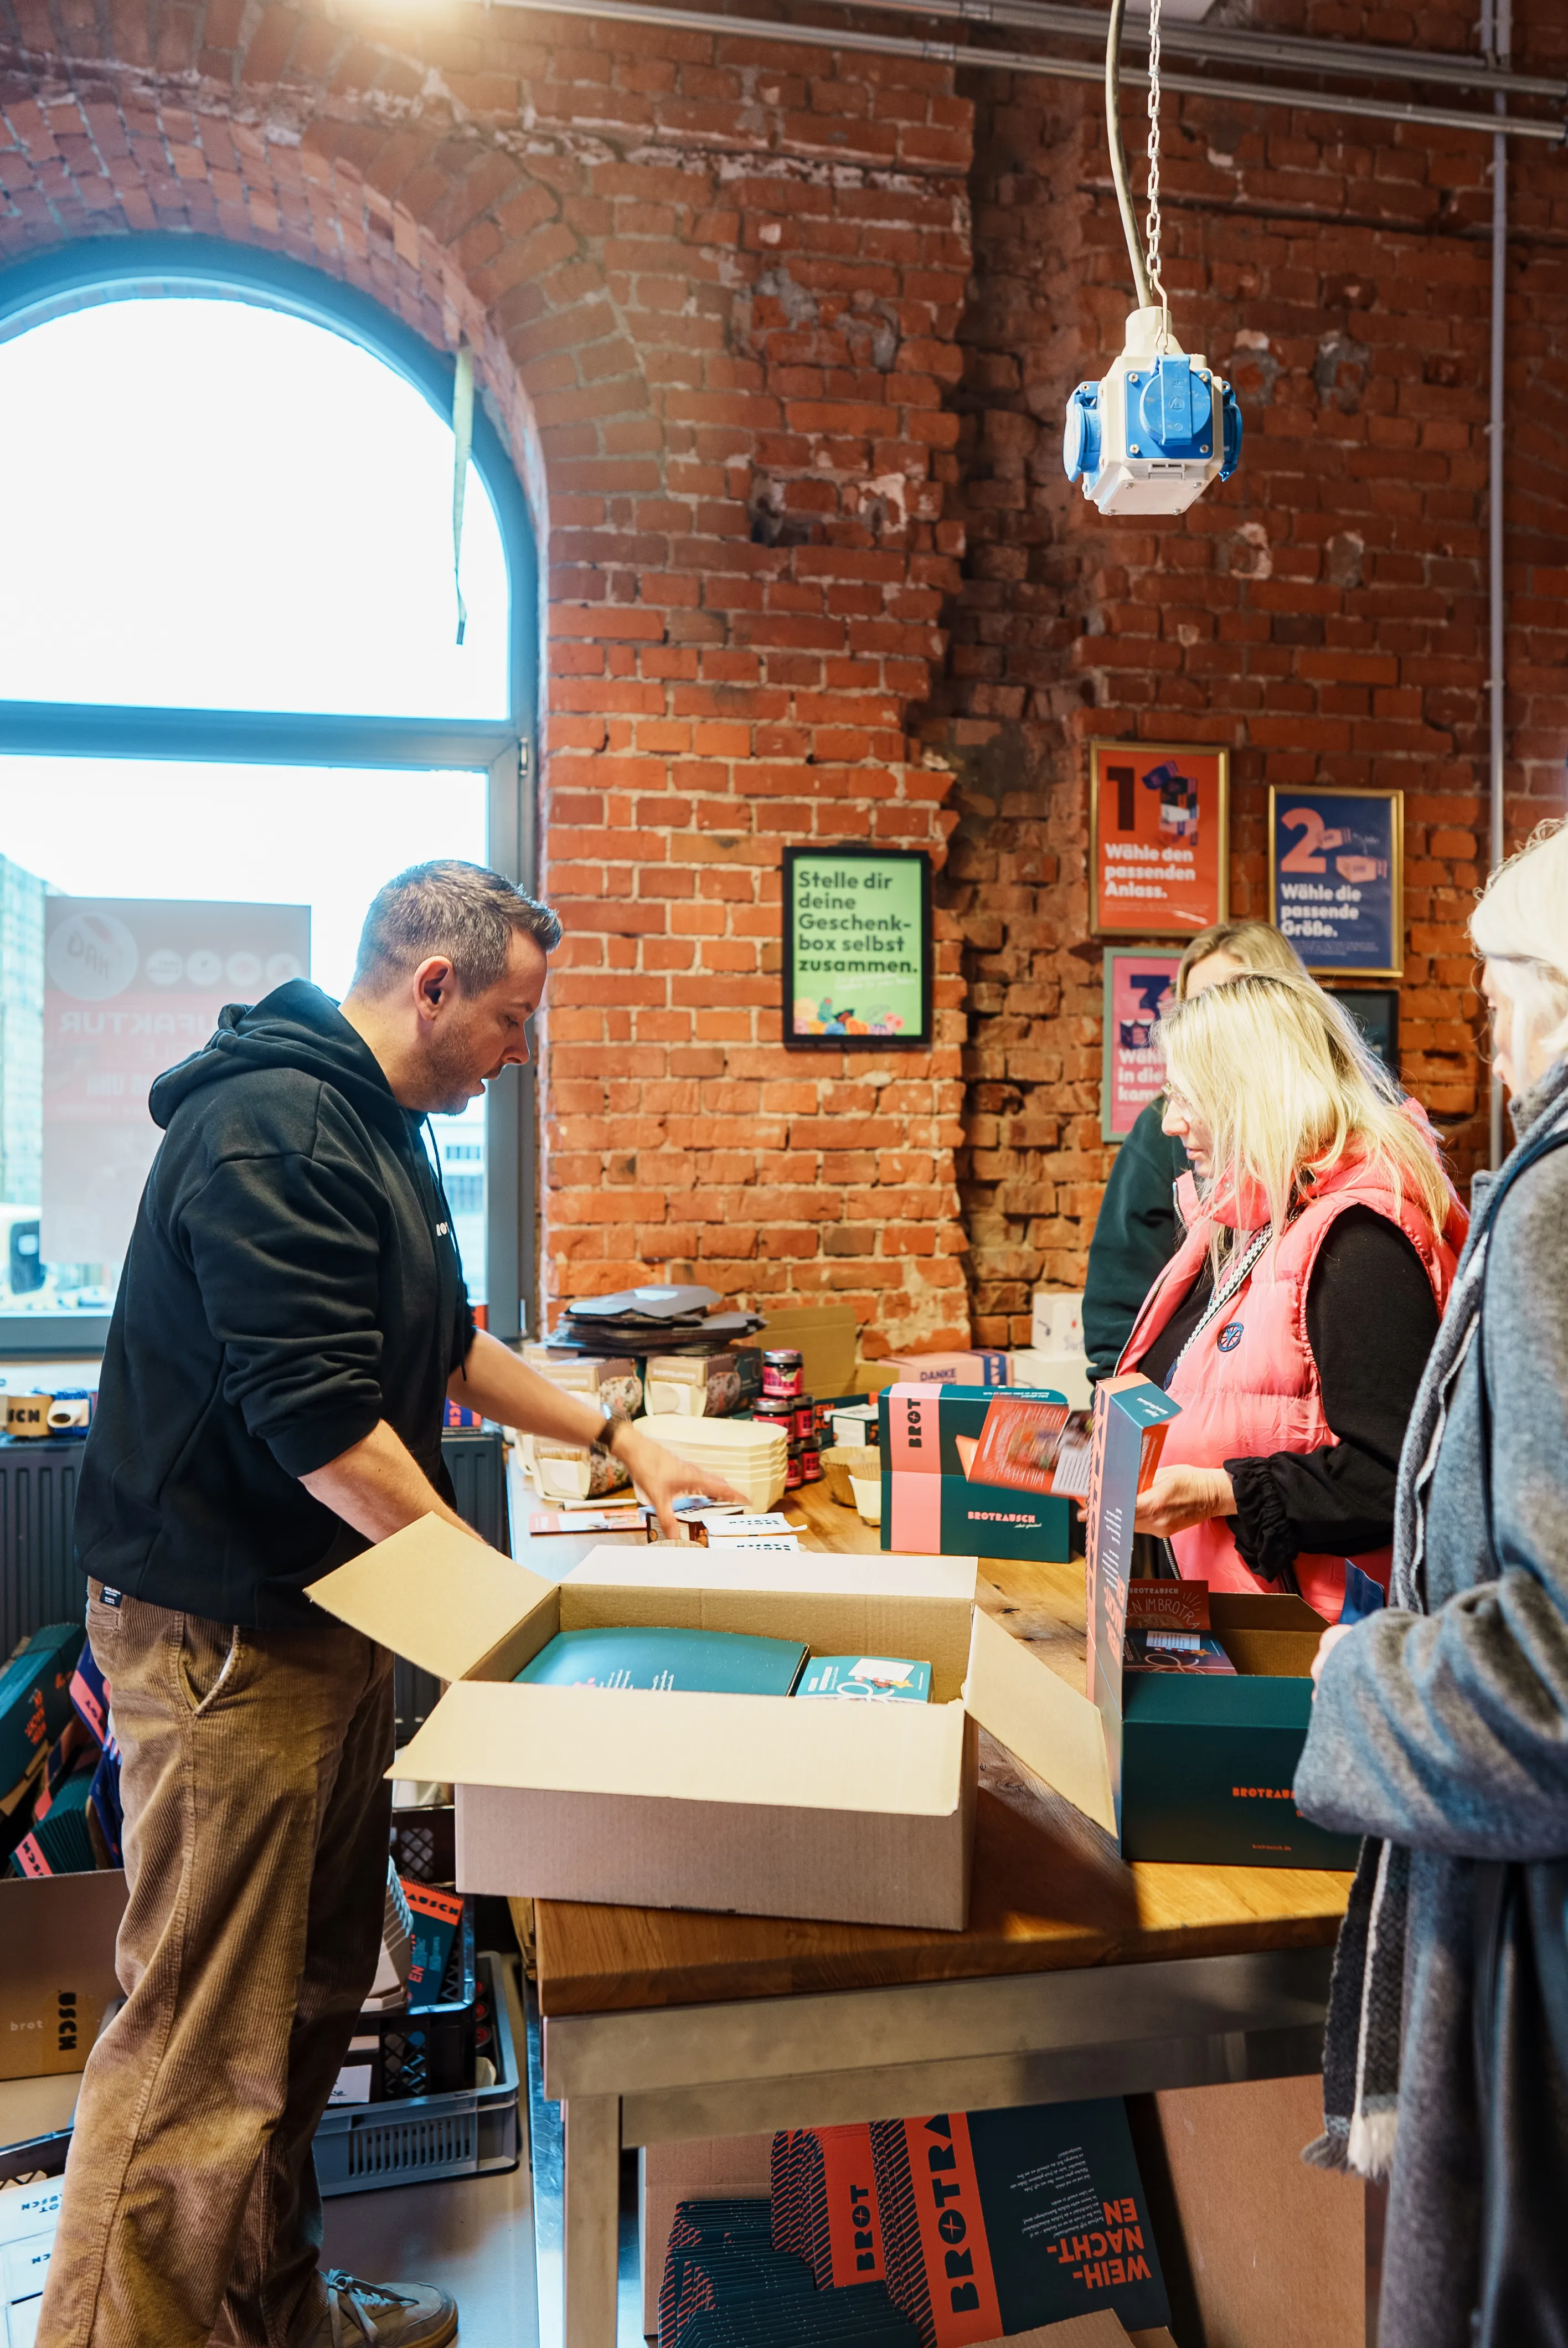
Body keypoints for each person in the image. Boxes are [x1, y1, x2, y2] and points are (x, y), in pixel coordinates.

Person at [39, 862, 740, 2348]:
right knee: (197, 2050)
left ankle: (273, 2310)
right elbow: (323, 1428)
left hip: (322, 1623)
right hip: (228, 1642)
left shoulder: (386, 1129)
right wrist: (506, 1622)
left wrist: (618, 1438)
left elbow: (442, 1347)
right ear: (432, 987)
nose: (521, 1051)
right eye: (512, 1016)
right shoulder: (269, 1131)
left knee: (301, 2010)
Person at [1294, 821, 1568, 2348]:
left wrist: (1363, 1678)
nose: (1495, 1034)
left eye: (1503, 993)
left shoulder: (1556, 1214)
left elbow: (1555, 1680)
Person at [1120, 971, 1466, 1622]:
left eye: (1187, 1096)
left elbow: (1400, 1476)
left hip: (1312, 1650)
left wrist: (1218, 1492)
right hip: (1219, 1620)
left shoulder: (1360, 1243)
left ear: (1252, 1094)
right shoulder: (1250, 1218)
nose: (1170, 1121)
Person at [1083, 920, 1309, 1381]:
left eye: (1225, 997)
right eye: (1194, 1002)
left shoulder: (1339, 1140)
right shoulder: (1160, 1130)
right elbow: (1120, 1298)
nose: (1208, 1019)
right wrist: (1120, 1407)